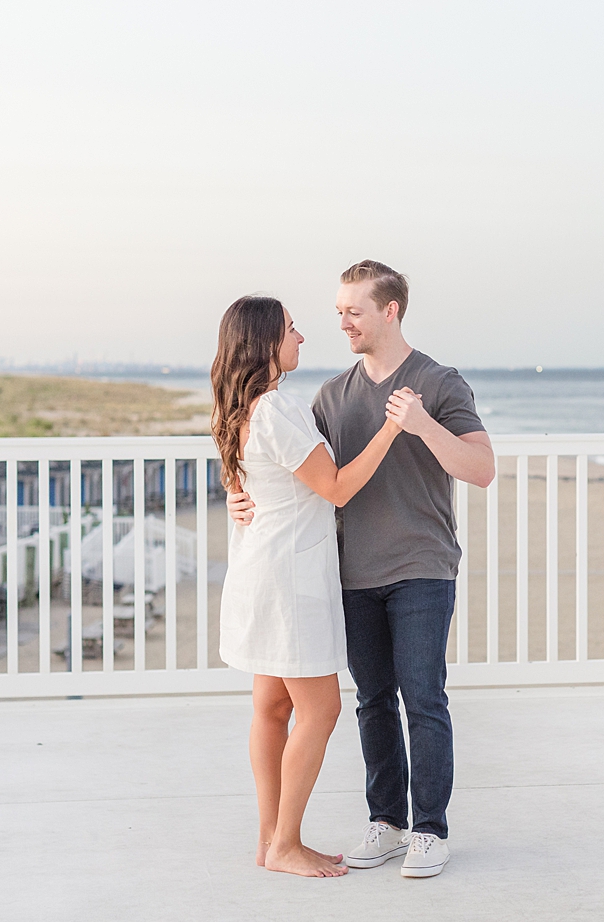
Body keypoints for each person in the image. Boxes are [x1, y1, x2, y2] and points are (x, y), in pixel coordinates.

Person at [229, 261, 495, 879]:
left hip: (422, 566)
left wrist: (422, 423)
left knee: (422, 697)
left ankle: (430, 829)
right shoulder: (330, 395)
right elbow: (287, 464)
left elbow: (480, 469)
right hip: (350, 574)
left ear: (390, 311)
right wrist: (235, 492)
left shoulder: (438, 380)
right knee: (372, 701)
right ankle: (388, 822)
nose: (341, 322)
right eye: (339, 310)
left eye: (354, 310)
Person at [211, 294, 413, 879]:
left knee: (272, 707)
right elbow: (337, 487)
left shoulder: (244, 408)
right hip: (289, 582)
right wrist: (391, 429)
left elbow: (249, 481)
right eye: (292, 329)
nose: (302, 338)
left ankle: (269, 838)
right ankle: (285, 843)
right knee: (319, 711)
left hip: (265, 571)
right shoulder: (274, 410)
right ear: (264, 343)